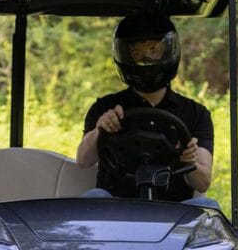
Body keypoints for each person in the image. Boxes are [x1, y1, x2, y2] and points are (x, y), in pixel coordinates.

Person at [76, 13, 218, 208]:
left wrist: (189, 160)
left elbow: (203, 182)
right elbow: (83, 160)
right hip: (114, 208)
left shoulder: (195, 113)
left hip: (173, 211)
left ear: (166, 51)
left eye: (153, 50)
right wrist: (100, 129)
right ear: (126, 54)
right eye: (137, 52)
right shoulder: (105, 108)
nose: (146, 58)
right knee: (93, 197)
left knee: (208, 206)